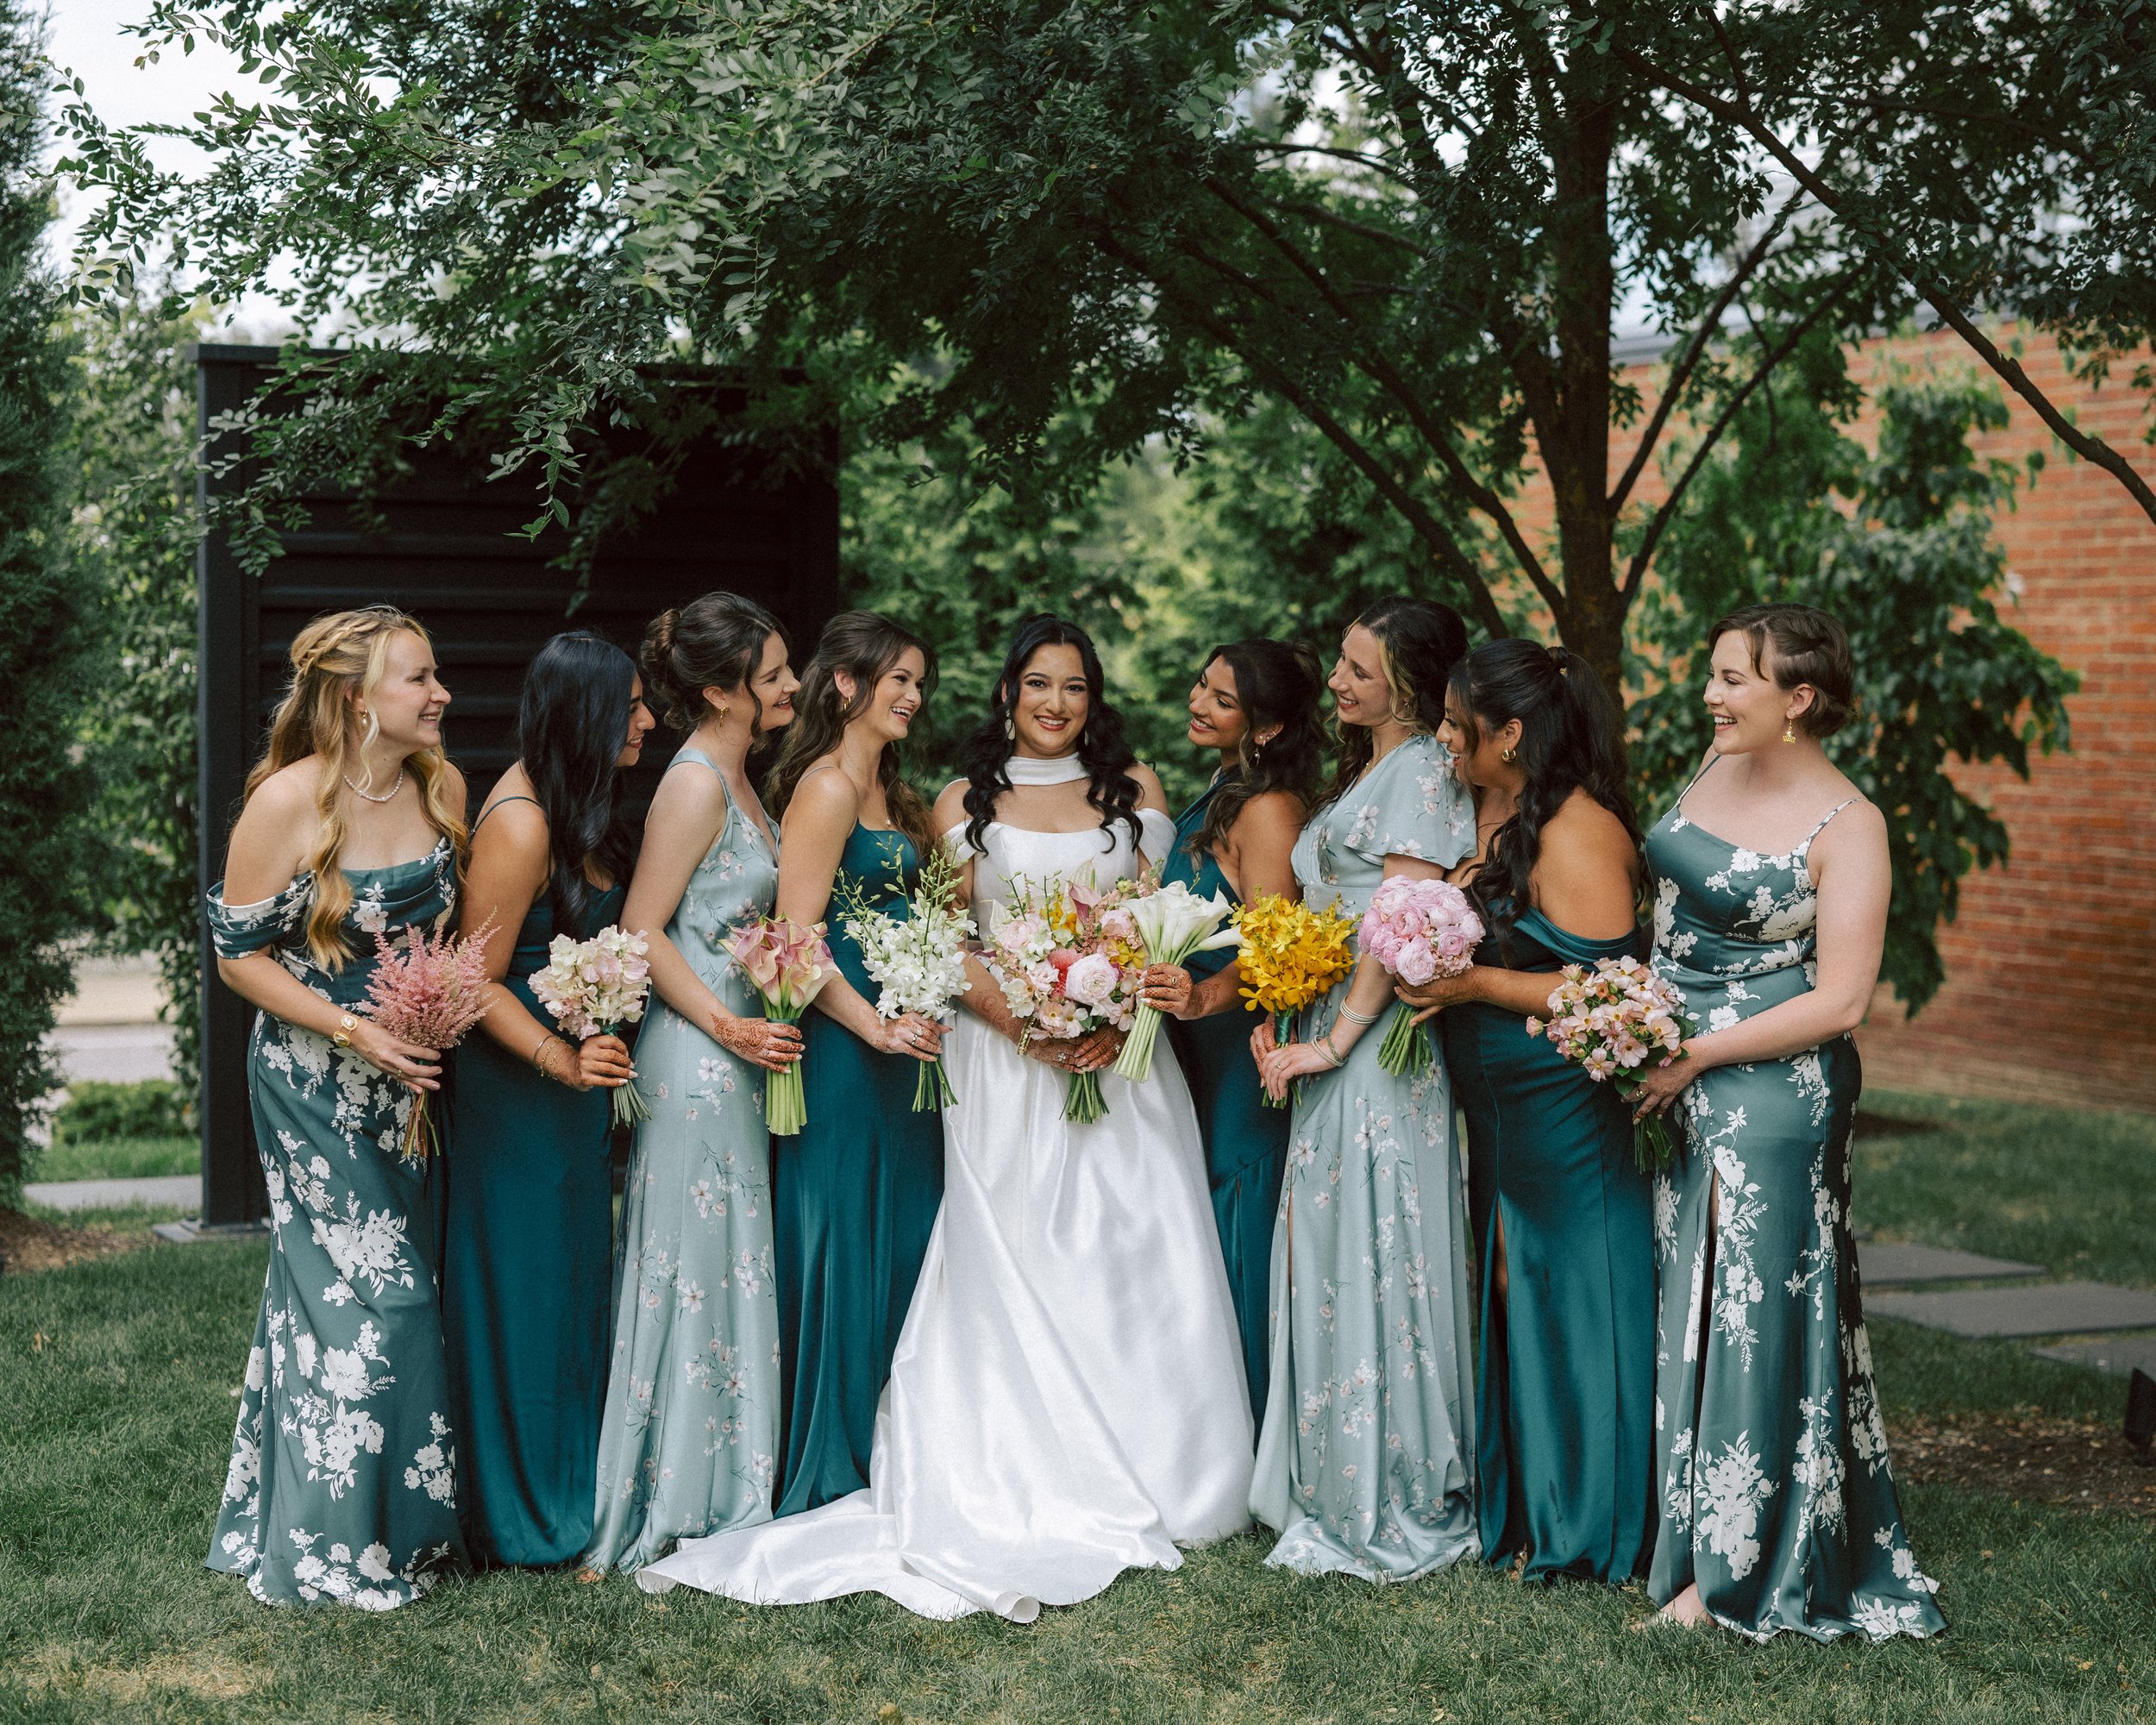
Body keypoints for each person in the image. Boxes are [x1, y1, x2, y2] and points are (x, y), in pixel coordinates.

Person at [637, 614, 1251, 1621]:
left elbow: (1150, 922)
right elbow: (946, 932)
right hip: (996, 1058)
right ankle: (1002, 1455)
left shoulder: (1129, 790)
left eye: (1075, 686)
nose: (1055, 702)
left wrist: (1112, 1007)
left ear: (1094, 699)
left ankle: (1168, 1458)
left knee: (1132, 1249)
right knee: (1001, 1252)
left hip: (1116, 1061)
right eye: (1038, 682)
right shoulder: (957, 798)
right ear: (1008, 692)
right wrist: (1023, 1015)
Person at [1628, 603, 1944, 1640]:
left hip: (1771, 1092)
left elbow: (1841, 1000)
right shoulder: (1715, 761)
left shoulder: (1849, 825)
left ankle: (1731, 1573)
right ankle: (1677, 1532)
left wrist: (1697, 1052)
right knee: (1691, 1301)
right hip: (1670, 1066)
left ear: (1797, 698)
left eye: (1733, 679)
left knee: (1748, 1313)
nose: (1709, 695)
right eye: (1714, 674)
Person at [204, 605, 469, 1609]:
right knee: (379, 1303)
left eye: (436, 674)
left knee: (335, 1301)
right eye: (419, 678)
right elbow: (238, 957)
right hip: (313, 1082)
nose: (440, 693)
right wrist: (357, 1031)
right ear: (358, 698)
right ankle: (329, 1548)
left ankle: (394, 1530)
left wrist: (431, 1013)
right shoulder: (286, 800)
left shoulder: (441, 786)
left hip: (412, 1082)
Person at [1396, 638, 1655, 1584]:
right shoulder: (1489, 809)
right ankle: (1535, 1508)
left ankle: (1595, 1521)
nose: (1442, 737)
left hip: (1562, 1107)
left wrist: (1474, 985)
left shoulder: (1579, 830)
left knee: (1574, 1294)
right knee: (1513, 1284)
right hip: (1499, 1107)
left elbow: (1612, 995)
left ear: (1510, 732)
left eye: (1456, 723)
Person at [1250, 595, 1479, 1582]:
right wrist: (1285, 996)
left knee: (1374, 1241)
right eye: (1339, 662)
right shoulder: (1376, 765)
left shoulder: (1422, 769)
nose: (1336, 681)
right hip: (1329, 1020)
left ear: (1410, 683)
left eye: (1356, 668)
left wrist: (1337, 1039)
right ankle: (1329, 1467)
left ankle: (1387, 1482)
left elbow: (1400, 915)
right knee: (1333, 1238)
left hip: (1378, 1048)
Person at [581, 593, 804, 1572]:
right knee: (689, 1262)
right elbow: (641, 926)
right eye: (774, 674)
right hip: (700, 1055)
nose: (792, 685)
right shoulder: (693, 783)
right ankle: (670, 1489)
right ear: (720, 691)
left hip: (744, 1050)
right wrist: (727, 1024)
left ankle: (727, 1476)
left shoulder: (743, 775)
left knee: (729, 1261)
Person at [441, 632, 653, 1568]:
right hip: (516, 1093)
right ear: (587, 715)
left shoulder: (579, 808)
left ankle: (573, 1485)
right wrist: (560, 1059)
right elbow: (473, 979)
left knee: (571, 1285)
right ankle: (519, 1510)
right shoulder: (521, 822)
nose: (648, 720)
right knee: (524, 1290)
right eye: (632, 707)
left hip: (572, 1090)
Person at [763, 612, 950, 1515]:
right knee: (845, 1237)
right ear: (845, 682)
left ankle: (892, 1445)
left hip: (905, 1052)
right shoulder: (828, 787)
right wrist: (873, 1026)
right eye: (897, 678)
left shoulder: (891, 794)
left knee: (906, 1238)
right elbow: (791, 941)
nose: (912, 694)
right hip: (847, 1053)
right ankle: (831, 1458)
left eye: (918, 681)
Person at [1138, 639, 1326, 1427]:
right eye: (1200, 686)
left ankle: (1251, 1425)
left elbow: (1274, 951)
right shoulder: (1218, 792)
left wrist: (1200, 997)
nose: (1197, 703)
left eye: (1222, 700)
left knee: (1237, 1214)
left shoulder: (1269, 809)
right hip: (1191, 1046)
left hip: (1240, 1046)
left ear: (1268, 727)